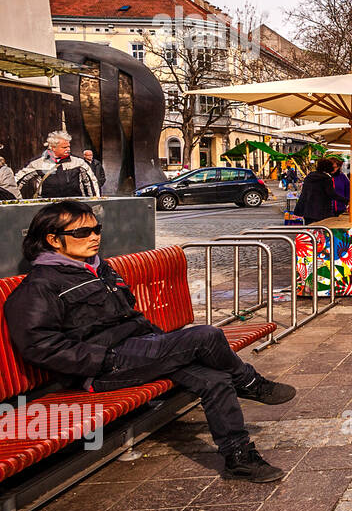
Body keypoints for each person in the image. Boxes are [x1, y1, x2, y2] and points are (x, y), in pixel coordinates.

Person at [4, 201, 296, 481]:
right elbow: (39, 345)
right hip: (107, 364)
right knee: (208, 335)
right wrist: (103, 360)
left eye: (97, 229)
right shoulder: (41, 286)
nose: (94, 237)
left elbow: (128, 314)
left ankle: (240, 459)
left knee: (214, 379)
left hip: (140, 348)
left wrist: (159, 341)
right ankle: (248, 382)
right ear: (54, 240)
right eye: (82, 232)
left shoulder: (97, 268)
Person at [15, 131, 100, 199]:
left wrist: (94, 205)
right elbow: (17, 180)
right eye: (64, 147)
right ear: (53, 147)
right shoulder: (38, 163)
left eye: (69, 146)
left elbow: (92, 183)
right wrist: (15, 202)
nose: (68, 149)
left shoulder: (78, 162)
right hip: (48, 207)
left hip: (74, 206)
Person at [295, 158, 338, 225]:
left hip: (307, 211)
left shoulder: (309, 177)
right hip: (321, 211)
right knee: (321, 232)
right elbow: (331, 194)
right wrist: (347, 201)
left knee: (310, 231)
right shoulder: (326, 179)